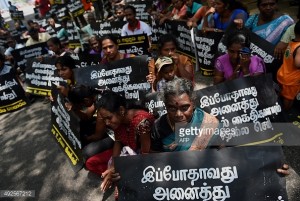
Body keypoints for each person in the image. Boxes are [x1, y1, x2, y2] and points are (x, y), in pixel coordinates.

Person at [97, 90, 155, 192]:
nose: (106, 122)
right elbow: (118, 141)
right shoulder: (119, 122)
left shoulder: (141, 122)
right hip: (131, 154)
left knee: (122, 189)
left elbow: (146, 155)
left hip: (147, 158)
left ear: (121, 110)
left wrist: (120, 167)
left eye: (109, 118)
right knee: (91, 163)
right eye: (104, 119)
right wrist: (114, 165)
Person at [151, 78, 220, 152]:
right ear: (166, 106)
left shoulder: (209, 124)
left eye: (184, 108)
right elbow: (155, 155)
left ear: (193, 104)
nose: (178, 114)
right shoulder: (159, 127)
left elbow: (220, 154)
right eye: (172, 109)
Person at [67, 85, 114, 176]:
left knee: (86, 152)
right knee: (81, 127)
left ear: (86, 100)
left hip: (116, 134)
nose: (82, 108)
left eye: (81, 106)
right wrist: (75, 110)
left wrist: (85, 139)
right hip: (106, 128)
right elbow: (87, 117)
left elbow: (97, 136)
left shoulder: (102, 106)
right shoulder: (96, 96)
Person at [277, 20, 300, 110]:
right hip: (291, 80)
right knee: (288, 98)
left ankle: (276, 106)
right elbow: (297, 64)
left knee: (282, 93)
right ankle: (284, 113)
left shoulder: (291, 43)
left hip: (283, 74)